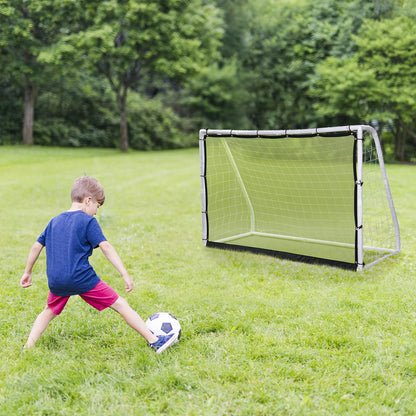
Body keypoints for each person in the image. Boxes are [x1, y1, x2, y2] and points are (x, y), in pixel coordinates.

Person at [20, 176, 177, 354]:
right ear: (88, 201)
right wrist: (124, 274)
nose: (96, 212)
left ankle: (28, 347)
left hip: (56, 280)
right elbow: (106, 247)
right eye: (97, 206)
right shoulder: (88, 221)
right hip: (81, 278)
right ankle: (154, 340)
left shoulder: (54, 221)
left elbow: (36, 246)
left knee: (48, 311)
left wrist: (28, 272)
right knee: (121, 305)